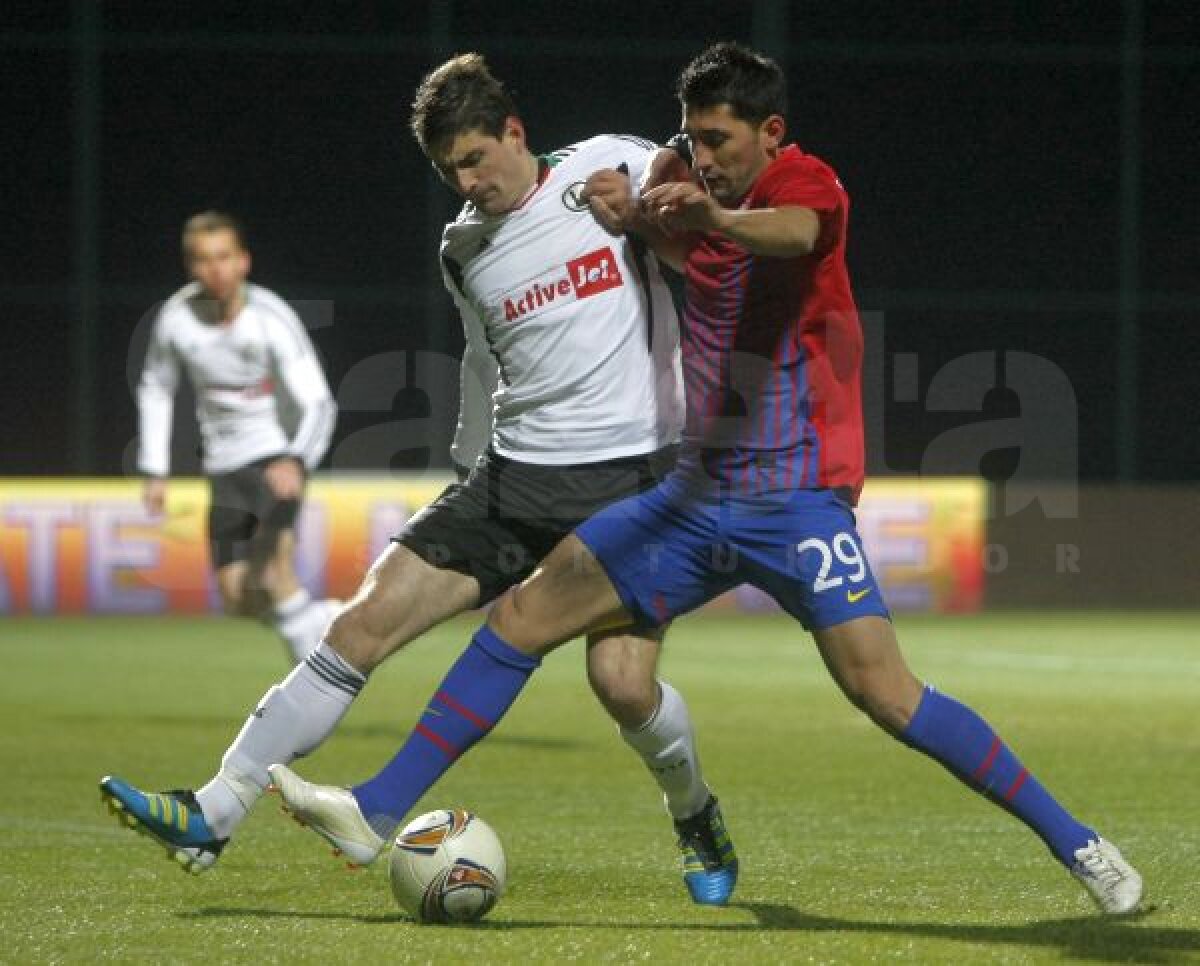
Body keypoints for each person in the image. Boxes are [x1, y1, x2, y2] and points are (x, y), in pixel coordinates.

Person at [271, 42, 1144, 916]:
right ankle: (374, 809)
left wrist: (704, 216)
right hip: (692, 499)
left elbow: (794, 235)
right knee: (522, 620)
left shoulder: (803, 186)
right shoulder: (691, 195)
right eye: (692, 139)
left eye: (719, 140)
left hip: (797, 502)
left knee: (885, 693)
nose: (704, 157)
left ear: (770, 132)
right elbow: (684, 251)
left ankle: (1081, 846)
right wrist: (636, 215)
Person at [100, 54, 739, 906]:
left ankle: (694, 812)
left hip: (634, 480)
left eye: (474, 159)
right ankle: (213, 810)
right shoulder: (462, 246)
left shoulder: (609, 163)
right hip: (512, 478)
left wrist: (663, 207)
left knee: (622, 685)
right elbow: (482, 362)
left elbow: (701, 220)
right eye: (448, 171)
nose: (467, 184)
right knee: (360, 622)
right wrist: (467, 472)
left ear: (514, 132)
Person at [134, 212, 339, 663]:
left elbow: (319, 403)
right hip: (223, 467)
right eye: (204, 259)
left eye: (224, 257)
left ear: (244, 261)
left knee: (272, 572)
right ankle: (322, 618)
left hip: (275, 459)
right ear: (191, 266)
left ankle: (313, 685)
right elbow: (156, 388)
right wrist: (154, 469)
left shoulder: (271, 318)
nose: (216, 269)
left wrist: (295, 460)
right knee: (236, 597)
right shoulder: (176, 319)